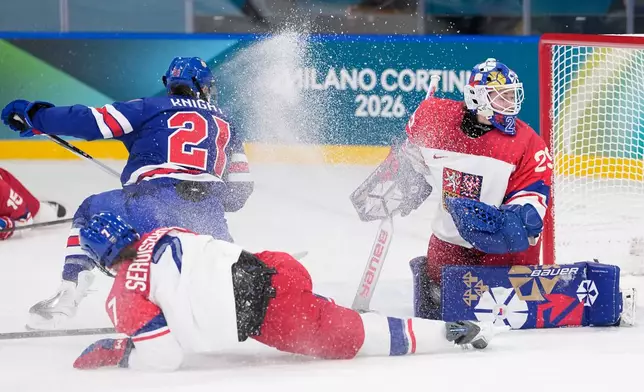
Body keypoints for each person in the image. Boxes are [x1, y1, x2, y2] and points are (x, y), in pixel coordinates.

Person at [1, 57, 253, 329]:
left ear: (171, 85)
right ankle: (228, 298)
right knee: (225, 277)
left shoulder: (150, 107)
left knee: (90, 209)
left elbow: (90, 121)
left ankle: (68, 296)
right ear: (202, 87)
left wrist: (36, 116)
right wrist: (199, 190)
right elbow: (239, 193)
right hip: (209, 220)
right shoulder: (226, 123)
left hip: (150, 206)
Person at [71, 212, 497, 371]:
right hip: (276, 265)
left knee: (355, 338)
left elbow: (165, 358)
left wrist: (122, 352)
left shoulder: (122, 296)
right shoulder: (164, 230)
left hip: (272, 314)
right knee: (319, 312)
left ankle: (445, 334)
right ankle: (324, 307)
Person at [350, 58, 551, 319]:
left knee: (501, 306)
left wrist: (505, 225)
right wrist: (402, 177)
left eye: (512, 95)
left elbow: (533, 206)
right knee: (438, 297)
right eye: (501, 97)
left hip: (506, 249)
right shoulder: (433, 120)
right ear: (477, 98)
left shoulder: (528, 144)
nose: (511, 104)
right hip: (451, 238)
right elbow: (414, 155)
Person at [0, 167, 66, 240]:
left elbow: (25, 219)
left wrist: (6, 224)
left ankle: (35, 204)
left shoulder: (3, 190)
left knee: (46, 215)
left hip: (12, 203)